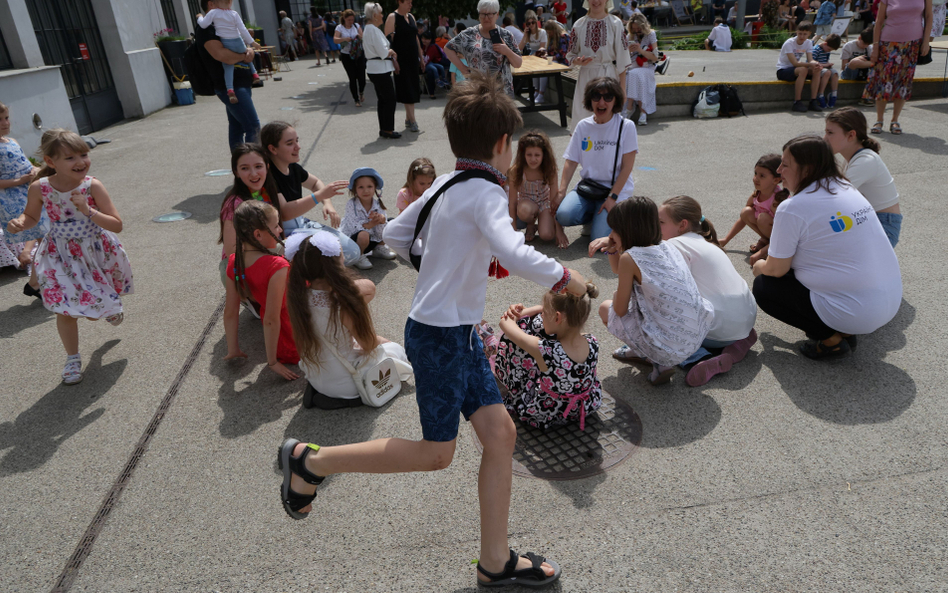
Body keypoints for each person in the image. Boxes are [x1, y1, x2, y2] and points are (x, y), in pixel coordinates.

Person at [277, 73, 585, 587]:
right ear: (503, 144)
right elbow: (513, 250)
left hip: (452, 332)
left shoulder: (448, 180)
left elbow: (397, 234)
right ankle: (311, 461)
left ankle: (494, 562)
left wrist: (450, 264)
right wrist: (564, 276)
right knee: (438, 453)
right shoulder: (486, 188)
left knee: (500, 433)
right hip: (443, 336)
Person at [753, 135, 902, 359]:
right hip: (888, 303)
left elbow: (776, 269)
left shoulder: (792, 207)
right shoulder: (847, 188)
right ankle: (843, 329)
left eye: (785, 164)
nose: (779, 170)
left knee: (764, 286)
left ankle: (831, 340)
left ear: (807, 168)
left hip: (859, 312)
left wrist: (759, 266)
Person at [6, 129, 133, 385]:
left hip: (95, 251)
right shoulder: (39, 188)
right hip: (60, 254)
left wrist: (88, 211)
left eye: (84, 154)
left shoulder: (92, 185)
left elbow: (117, 225)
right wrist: (20, 222)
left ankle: (106, 306)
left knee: (92, 309)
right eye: (70, 158)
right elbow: (31, 217)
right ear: (51, 162)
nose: (81, 162)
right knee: (64, 309)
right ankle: (72, 358)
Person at [283, 230, 410, 409]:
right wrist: (381, 340)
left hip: (316, 376)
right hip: (349, 383)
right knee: (395, 350)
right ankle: (348, 398)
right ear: (334, 265)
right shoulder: (342, 302)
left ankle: (324, 392)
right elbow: (368, 343)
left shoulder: (298, 297)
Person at [597, 196, 714, 385]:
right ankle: (645, 351)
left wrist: (617, 295)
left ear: (627, 230)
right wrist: (612, 249)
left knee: (605, 308)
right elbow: (620, 270)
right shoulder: (667, 245)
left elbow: (619, 310)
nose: (611, 235)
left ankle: (655, 359)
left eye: (614, 230)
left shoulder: (630, 257)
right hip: (695, 337)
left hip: (669, 347)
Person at [651, 196, 758, 387]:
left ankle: (698, 358)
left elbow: (668, 293)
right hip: (746, 318)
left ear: (682, 225)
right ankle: (736, 343)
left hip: (719, 329)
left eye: (660, 222)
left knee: (655, 320)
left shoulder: (673, 245)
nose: (655, 227)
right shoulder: (707, 244)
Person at [493, 284, 603, 430]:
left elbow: (505, 322)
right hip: (585, 406)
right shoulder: (592, 341)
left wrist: (523, 311)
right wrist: (547, 308)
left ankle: (516, 388)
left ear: (558, 317)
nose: (542, 314)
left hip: (548, 414)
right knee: (538, 325)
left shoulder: (545, 350)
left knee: (524, 325)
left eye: (544, 311)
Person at [259, 122, 361, 266]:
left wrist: (327, 204)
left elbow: (315, 183)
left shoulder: (293, 167)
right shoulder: (269, 176)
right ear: (273, 149)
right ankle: (314, 275)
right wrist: (319, 196)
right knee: (345, 255)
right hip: (285, 234)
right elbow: (286, 212)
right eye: (290, 143)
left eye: (297, 141)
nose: (298, 147)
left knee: (352, 252)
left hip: (302, 225)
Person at [223, 201, 299, 380]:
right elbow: (272, 320)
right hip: (297, 334)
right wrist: (271, 362)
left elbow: (230, 312)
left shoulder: (235, 261)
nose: (280, 229)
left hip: (283, 341)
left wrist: (233, 349)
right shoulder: (276, 265)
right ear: (258, 234)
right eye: (275, 226)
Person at [555, 77, 638, 242]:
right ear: (589, 100)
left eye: (608, 97)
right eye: (596, 96)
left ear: (615, 101)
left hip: (614, 190)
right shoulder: (583, 126)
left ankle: (619, 216)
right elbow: (571, 161)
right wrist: (561, 191)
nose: (601, 102)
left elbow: (627, 168)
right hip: (589, 188)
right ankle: (594, 216)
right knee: (563, 215)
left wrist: (612, 198)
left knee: (599, 239)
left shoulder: (626, 126)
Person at [823, 107, 902, 246]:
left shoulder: (865, 161)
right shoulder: (854, 159)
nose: (825, 139)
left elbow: (834, 195)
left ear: (851, 135)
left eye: (830, 133)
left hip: (884, 224)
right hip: (867, 218)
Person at [217, 143, 283, 295]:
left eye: (258, 166)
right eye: (245, 168)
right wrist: (274, 254)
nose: (253, 173)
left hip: (266, 253)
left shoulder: (268, 192)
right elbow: (231, 250)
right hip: (239, 266)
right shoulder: (234, 203)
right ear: (237, 172)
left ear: (267, 167)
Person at [194, 0, 260, 150]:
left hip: (241, 82)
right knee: (253, 127)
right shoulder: (206, 29)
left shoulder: (225, 20)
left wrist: (249, 49)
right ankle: (252, 167)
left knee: (237, 127)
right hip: (230, 86)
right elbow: (222, 55)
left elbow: (242, 38)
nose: (229, 3)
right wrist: (245, 55)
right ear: (211, 4)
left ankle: (241, 169)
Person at [864, 0, 933, 134]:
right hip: (888, 43)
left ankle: (895, 120)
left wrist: (926, 42)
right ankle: (879, 119)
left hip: (912, 44)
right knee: (883, 81)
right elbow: (879, 21)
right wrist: (875, 47)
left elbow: (929, 16)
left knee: (904, 81)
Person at [0, 101, 46, 297]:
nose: (4, 123)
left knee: (46, 236)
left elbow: (27, 164)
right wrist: (21, 180)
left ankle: (36, 283)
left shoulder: (12, 142)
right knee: (45, 235)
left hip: (29, 193)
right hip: (12, 200)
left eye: (6, 118)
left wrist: (34, 170)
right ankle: (39, 282)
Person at [565, 0, 631, 130]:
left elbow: (622, 58)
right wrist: (578, 61)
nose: (596, 1)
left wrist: (622, 88)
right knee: (584, 119)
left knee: (608, 121)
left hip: (608, 76)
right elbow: (570, 54)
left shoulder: (615, 24)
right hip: (586, 78)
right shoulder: (579, 24)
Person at [719, 153, 790, 263]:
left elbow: (785, 234)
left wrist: (761, 253)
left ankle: (771, 248)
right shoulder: (756, 194)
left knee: (763, 218)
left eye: (762, 176)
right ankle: (767, 242)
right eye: (755, 173)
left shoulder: (778, 201)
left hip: (784, 240)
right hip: (772, 235)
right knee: (746, 212)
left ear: (776, 180)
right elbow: (743, 218)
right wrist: (725, 240)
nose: (756, 178)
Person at [445, 0, 524, 97]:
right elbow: (448, 48)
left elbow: (518, 63)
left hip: (502, 92)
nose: (486, 18)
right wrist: (463, 69)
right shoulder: (469, 34)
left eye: (490, 14)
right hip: (477, 90)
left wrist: (507, 51)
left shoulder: (506, 35)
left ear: (497, 14)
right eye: (483, 14)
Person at [507, 130, 567, 246]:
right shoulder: (516, 171)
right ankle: (530, 225)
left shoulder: (549, 170)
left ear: (544, 155)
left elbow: (554, 200)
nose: (533, 159)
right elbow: (513, 201)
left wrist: (559, 230)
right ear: (523, 154)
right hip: (526, 203)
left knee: (547, 235)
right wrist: (513, 231)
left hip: (544, 204)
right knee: (524, 211)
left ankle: (542, 224)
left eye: (537, 155)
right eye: (529, 155)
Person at [196, 1, 261, 103]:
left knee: (228, 66)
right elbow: (243, 30)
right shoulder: (234, 14)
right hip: (238, 42)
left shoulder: (214, 14)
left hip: (228, 44)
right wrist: (252, 44)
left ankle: (230, 90)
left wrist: (199, 17)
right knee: (245, 53)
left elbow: (203, 24)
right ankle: (255, 74)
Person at [339, 167, 397, 269]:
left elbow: (381, 232)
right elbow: (353, 227)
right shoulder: (351, 204)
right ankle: (358, 256)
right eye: (361, 187)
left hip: (372, 240)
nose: (365, 190)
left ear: (375, 187)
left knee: (391, 223)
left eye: (369, 186)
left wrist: (382, 221)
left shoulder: (377, 204)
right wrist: (371, 224)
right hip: (354, 242)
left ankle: (379, 248)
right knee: (364, 234)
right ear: (355, 189)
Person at [363, 3, 401, 139]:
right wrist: (391, 51)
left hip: (376, 68)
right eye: (381, 13)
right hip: (379, 69)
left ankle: (384, 128)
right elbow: (384, 52)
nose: (382, 15)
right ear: (374, 16)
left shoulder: (369, 29)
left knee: (383, 100)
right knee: (389, 99)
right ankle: (388, 129)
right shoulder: (372, 30)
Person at [386, 0, 425, 132]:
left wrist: (421, 57)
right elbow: (388, 41)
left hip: (413, 59)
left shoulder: (411, 17)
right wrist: (393, 59)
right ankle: (412, 120)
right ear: (400, 2)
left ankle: (409, 119)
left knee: (412, 87)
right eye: (408, 2)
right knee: (406, 88)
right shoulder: (392, 17)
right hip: (401, 59)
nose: (411, 5)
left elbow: (416, 38)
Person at [776, 21, 824, 112]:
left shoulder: (809, 43)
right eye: (800, 33)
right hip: (783, 70)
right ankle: (797, 102)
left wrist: (815, 64)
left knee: (816, 70)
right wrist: (810, 64)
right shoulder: (789, 43)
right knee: (803, 70)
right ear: (796, 32)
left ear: (809, 34)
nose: (802, 36)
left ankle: (813, 101)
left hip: (796, 69)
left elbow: (810, 59)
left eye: (805, 34)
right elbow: (795, 63)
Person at [625, 14, 659, 126]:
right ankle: (642, 112)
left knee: (634, 74)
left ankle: (630, 108)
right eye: (634, 29)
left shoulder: (651, 35)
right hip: (633, 65)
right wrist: (628, 51)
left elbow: (655, 57)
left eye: (638, 29)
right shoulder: (630, 36)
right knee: (631, 74)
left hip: (647, 66)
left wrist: (640, 50)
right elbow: (624, 58)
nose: (636, 31)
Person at [335, 9, 367, 108]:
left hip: (358, 54)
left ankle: (361, 92)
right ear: (344, 18)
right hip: (347, 55)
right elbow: (335, 40)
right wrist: (344, 39)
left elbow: (363, 37)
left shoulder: (356, 26)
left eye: (352, 19)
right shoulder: (339, 28)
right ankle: (356, 99)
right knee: (352, 78)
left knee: (362, 77)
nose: (351, 22)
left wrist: (359, 36)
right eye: (349, 20)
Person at [519, 11, 549, 101]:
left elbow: (542, 48)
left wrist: (534, 56)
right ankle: (536, 91)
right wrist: (524, 35)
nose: (531, 25)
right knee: (532, 72)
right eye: (529, 23)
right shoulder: (528, 34)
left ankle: (541, 94)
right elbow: (519, 48)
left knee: (541, 71)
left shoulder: (542, 32)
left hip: (541, 54)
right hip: (533, 55)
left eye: (533, 22)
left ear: (536, 22)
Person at [812, 33, 842, 107]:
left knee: (835, 73)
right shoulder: (816, 49)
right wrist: (826, 65)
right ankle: (820, 94)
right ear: (825, 44)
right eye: (829, 49)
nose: (829, 51)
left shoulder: (827, 51)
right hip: (817, 69)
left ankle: (834, 93)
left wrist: (828, 64)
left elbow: (826, 61)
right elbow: (812, 63)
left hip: (824, 66)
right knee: (827, 72)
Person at [421, 32, 451, 98]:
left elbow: (428, 59)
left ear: (430, 39)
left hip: (435, 64)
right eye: (422, 38)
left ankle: (433, 91)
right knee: (432, 70)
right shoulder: (424, 46)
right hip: (432, 64)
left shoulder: (432, 47)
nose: (423, 40)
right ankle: (432, 90)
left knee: (431, 71)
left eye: (426, 39)